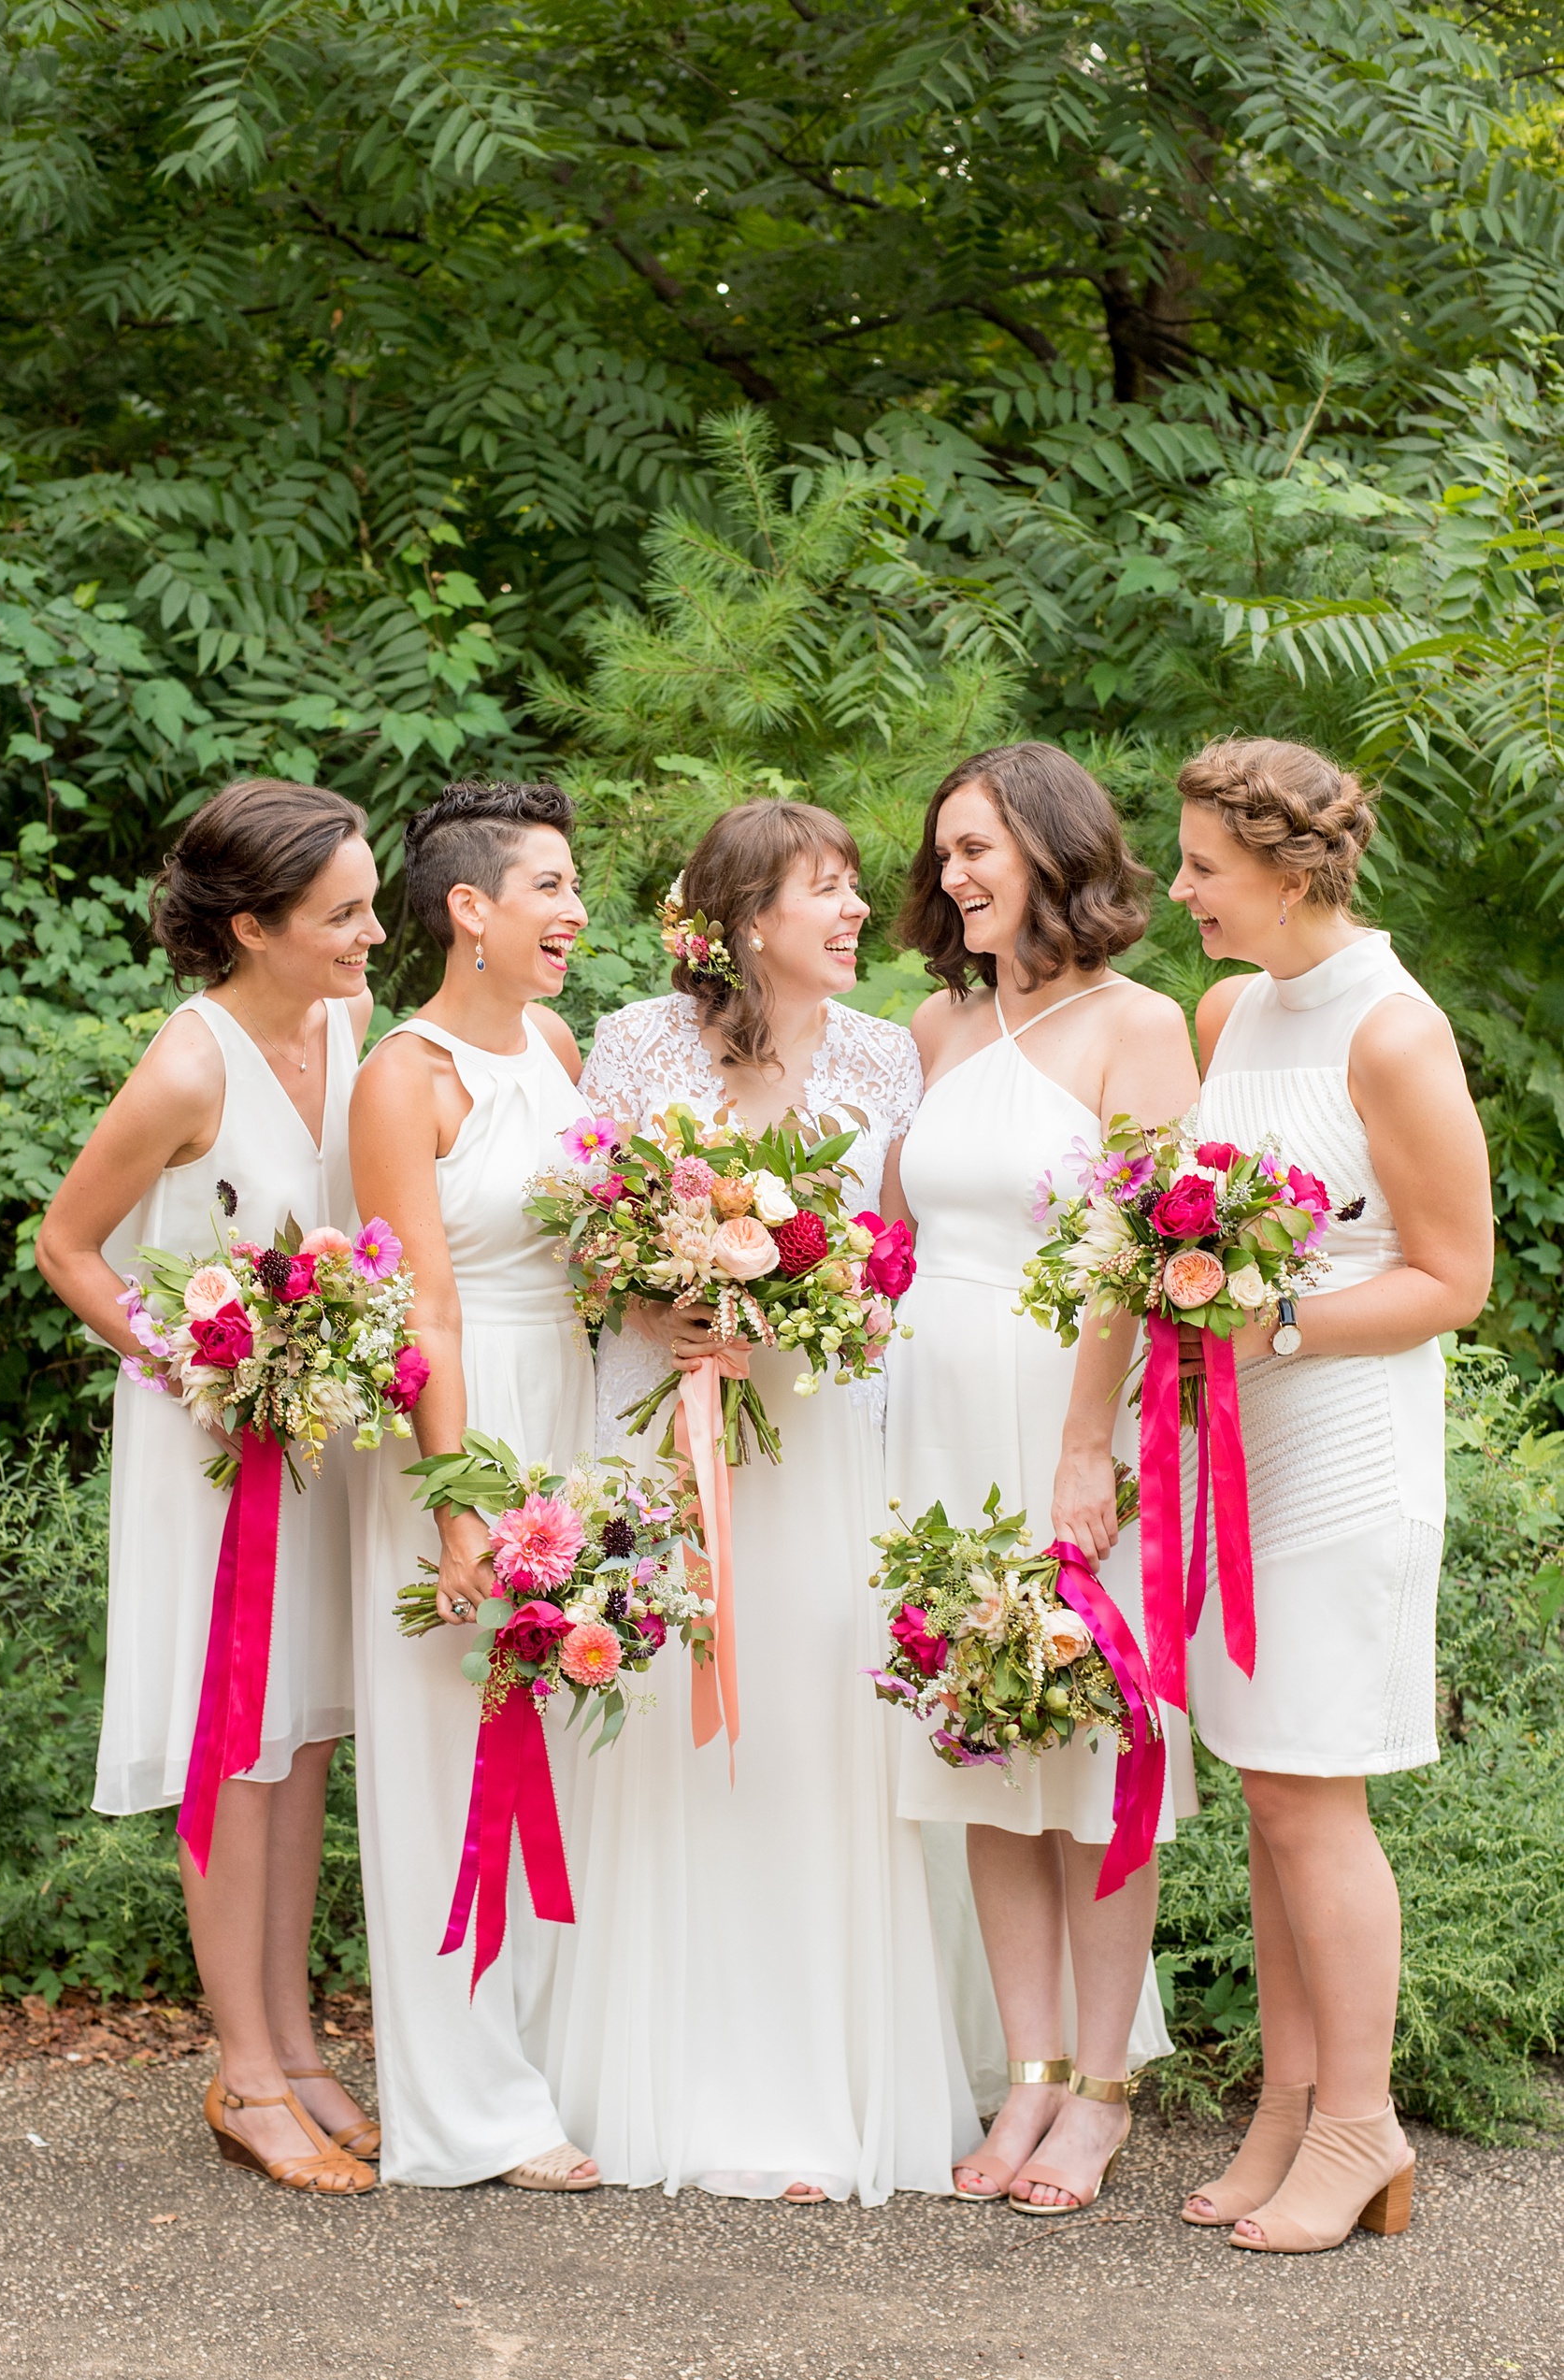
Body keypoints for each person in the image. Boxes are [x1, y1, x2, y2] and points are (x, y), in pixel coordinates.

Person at [547, 797, 980, 2204]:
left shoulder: (885, 1053)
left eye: (856, 887)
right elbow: (587, 1240)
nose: (860, 911)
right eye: (827, 889)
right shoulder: (635, 1045)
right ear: (745, 917)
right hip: (675, 1437)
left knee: (816, 1738)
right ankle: (680, 2081)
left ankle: (820, 2094)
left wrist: (798, 1311)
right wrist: (674, 1297)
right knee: (680, 1740)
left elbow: (901, 1256)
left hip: (827, 1440)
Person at [36, 777, 383, 2195]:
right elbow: (67, 1246)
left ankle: (297, 2042)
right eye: (344, 914)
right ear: (253, 924)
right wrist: (198, 1357)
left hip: (317, 1438)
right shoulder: (189, 1064)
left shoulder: (346, 1023)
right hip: (211, 1444)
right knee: (230, 1739)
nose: (371, 935)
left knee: (300, 1740)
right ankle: (240, 2067)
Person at [1172, 738, 1492, 2253]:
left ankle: (1362, 2121)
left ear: (1293, 871)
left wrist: (1275, 1322)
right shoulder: (1231, 1010)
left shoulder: (1395, 1027)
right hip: (1238, 1441)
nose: (1182, 893)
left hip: (1348, 1439)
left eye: (1205, 871)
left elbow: (1456, 1277)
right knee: (1267, 1782)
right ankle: (1290, 2109)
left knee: (1315, 1787)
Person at [887, 741, 1200, 2214]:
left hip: (1066, 1419)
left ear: (1056, 850)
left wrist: (1091, 1442)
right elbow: (895, 1237)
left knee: (1088, 1753)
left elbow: (1138, 1247)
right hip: (932, 1419)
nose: (956, 875)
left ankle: (1101, 2088)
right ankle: (1024, 2073)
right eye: (944, 852)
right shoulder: (937, 1022)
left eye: (980, 848)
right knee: (980, 1750)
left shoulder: (1137, 1026)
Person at [348, 778, 600, 2191]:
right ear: (471, 910)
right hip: (469, 1423)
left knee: (567, 1750)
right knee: (456, 1763)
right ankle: (468, 2108)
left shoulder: (553, 1044)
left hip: (573, 1407)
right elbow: (420, 1308)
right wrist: (456, 1503)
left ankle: (554, 2058)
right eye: (549, 887)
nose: (573, 912)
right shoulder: (407, 1076)